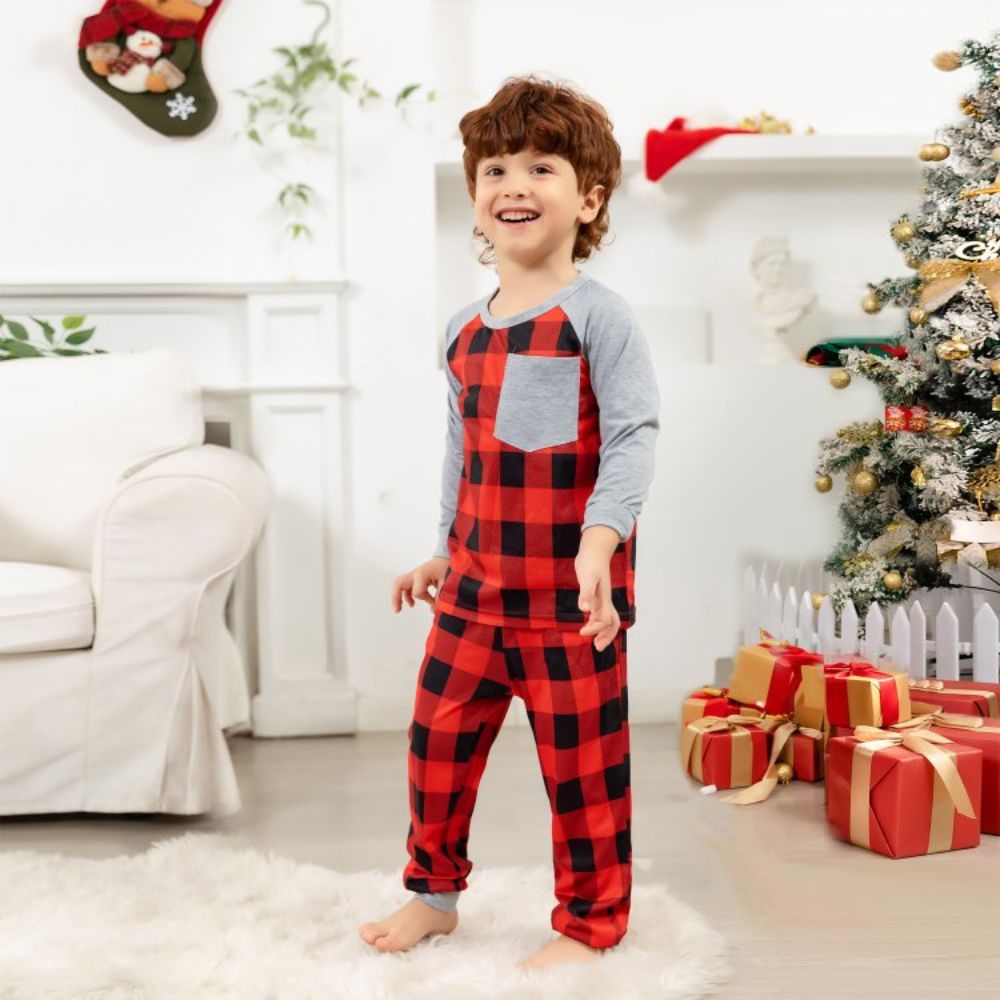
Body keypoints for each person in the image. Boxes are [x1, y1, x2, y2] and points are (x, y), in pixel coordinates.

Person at [358, 74, 660, 970]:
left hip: (573, 605)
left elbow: (634, 437)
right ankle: (433, 893)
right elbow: (466, 450)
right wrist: (445, 553)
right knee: (436, 748)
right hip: (475, 595)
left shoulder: (598, 320)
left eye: (541, 167)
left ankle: (588, 924)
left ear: (589, 198)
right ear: (475, 200)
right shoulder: (462, 331)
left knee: (584, 773)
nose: (514, 185)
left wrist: (601, 543)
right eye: (494, 169)